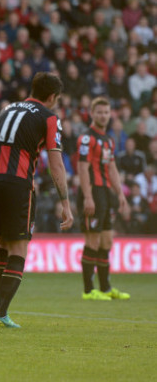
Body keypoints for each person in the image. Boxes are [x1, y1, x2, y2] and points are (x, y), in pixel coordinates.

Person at [0, 72, 74, 328]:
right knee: (19, 248)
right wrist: (65, 203)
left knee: (2, 244)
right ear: (53, 97)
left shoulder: (6, 109)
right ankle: (1, 313)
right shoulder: (49, 117)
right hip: (17, 183)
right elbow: (55, 163)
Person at [77, 97, 130, 301]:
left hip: (106, 192)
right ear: (92, 113)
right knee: (93, 238)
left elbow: (112, 167)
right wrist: (88, 196)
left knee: (106, 240)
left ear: (110, 115)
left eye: (106, 112)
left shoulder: (108, 140)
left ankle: (106, 288)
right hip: (92, 191)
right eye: (99, 112)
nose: (103, 115)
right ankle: (89, 290)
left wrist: (119, 193)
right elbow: (82, 168)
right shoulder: (86, 138)